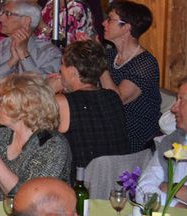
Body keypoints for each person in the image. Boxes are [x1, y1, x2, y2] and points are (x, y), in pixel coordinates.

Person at [0, 73, 72, 198]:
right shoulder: (4, 133)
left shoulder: (53, 145)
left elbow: (24, 196)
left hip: (41, 215)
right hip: (5, 210)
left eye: (2, 102)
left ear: (23, 109)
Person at [52, 40, 130, 175]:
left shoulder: (62, 102)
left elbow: (31, 124)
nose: (60, 69)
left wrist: (48, 90)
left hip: (81, 182)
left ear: (72, 72)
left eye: (62, 65)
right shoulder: (113, 97)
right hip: (115, 178)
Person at [100, 0, 161, 152]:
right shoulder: (110, 55)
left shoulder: (146, 63)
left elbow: (117, 99)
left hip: (133, 139)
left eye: (110, 19)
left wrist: (97, 63)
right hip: (109, 129)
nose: (103, 23)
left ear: (126, 27)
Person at [138, 75, 187, 205]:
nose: (174, 108)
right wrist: (178, 207)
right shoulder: (171, 142)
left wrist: (174, 189)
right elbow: (143, 190)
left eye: (182, 100)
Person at [0, 0, 62, 82]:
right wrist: (11, 63)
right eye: (2, 13)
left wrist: (24, 55)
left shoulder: (50, 53)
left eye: (8, 14)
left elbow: (45, 87)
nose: (0, 19)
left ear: (26, 20)